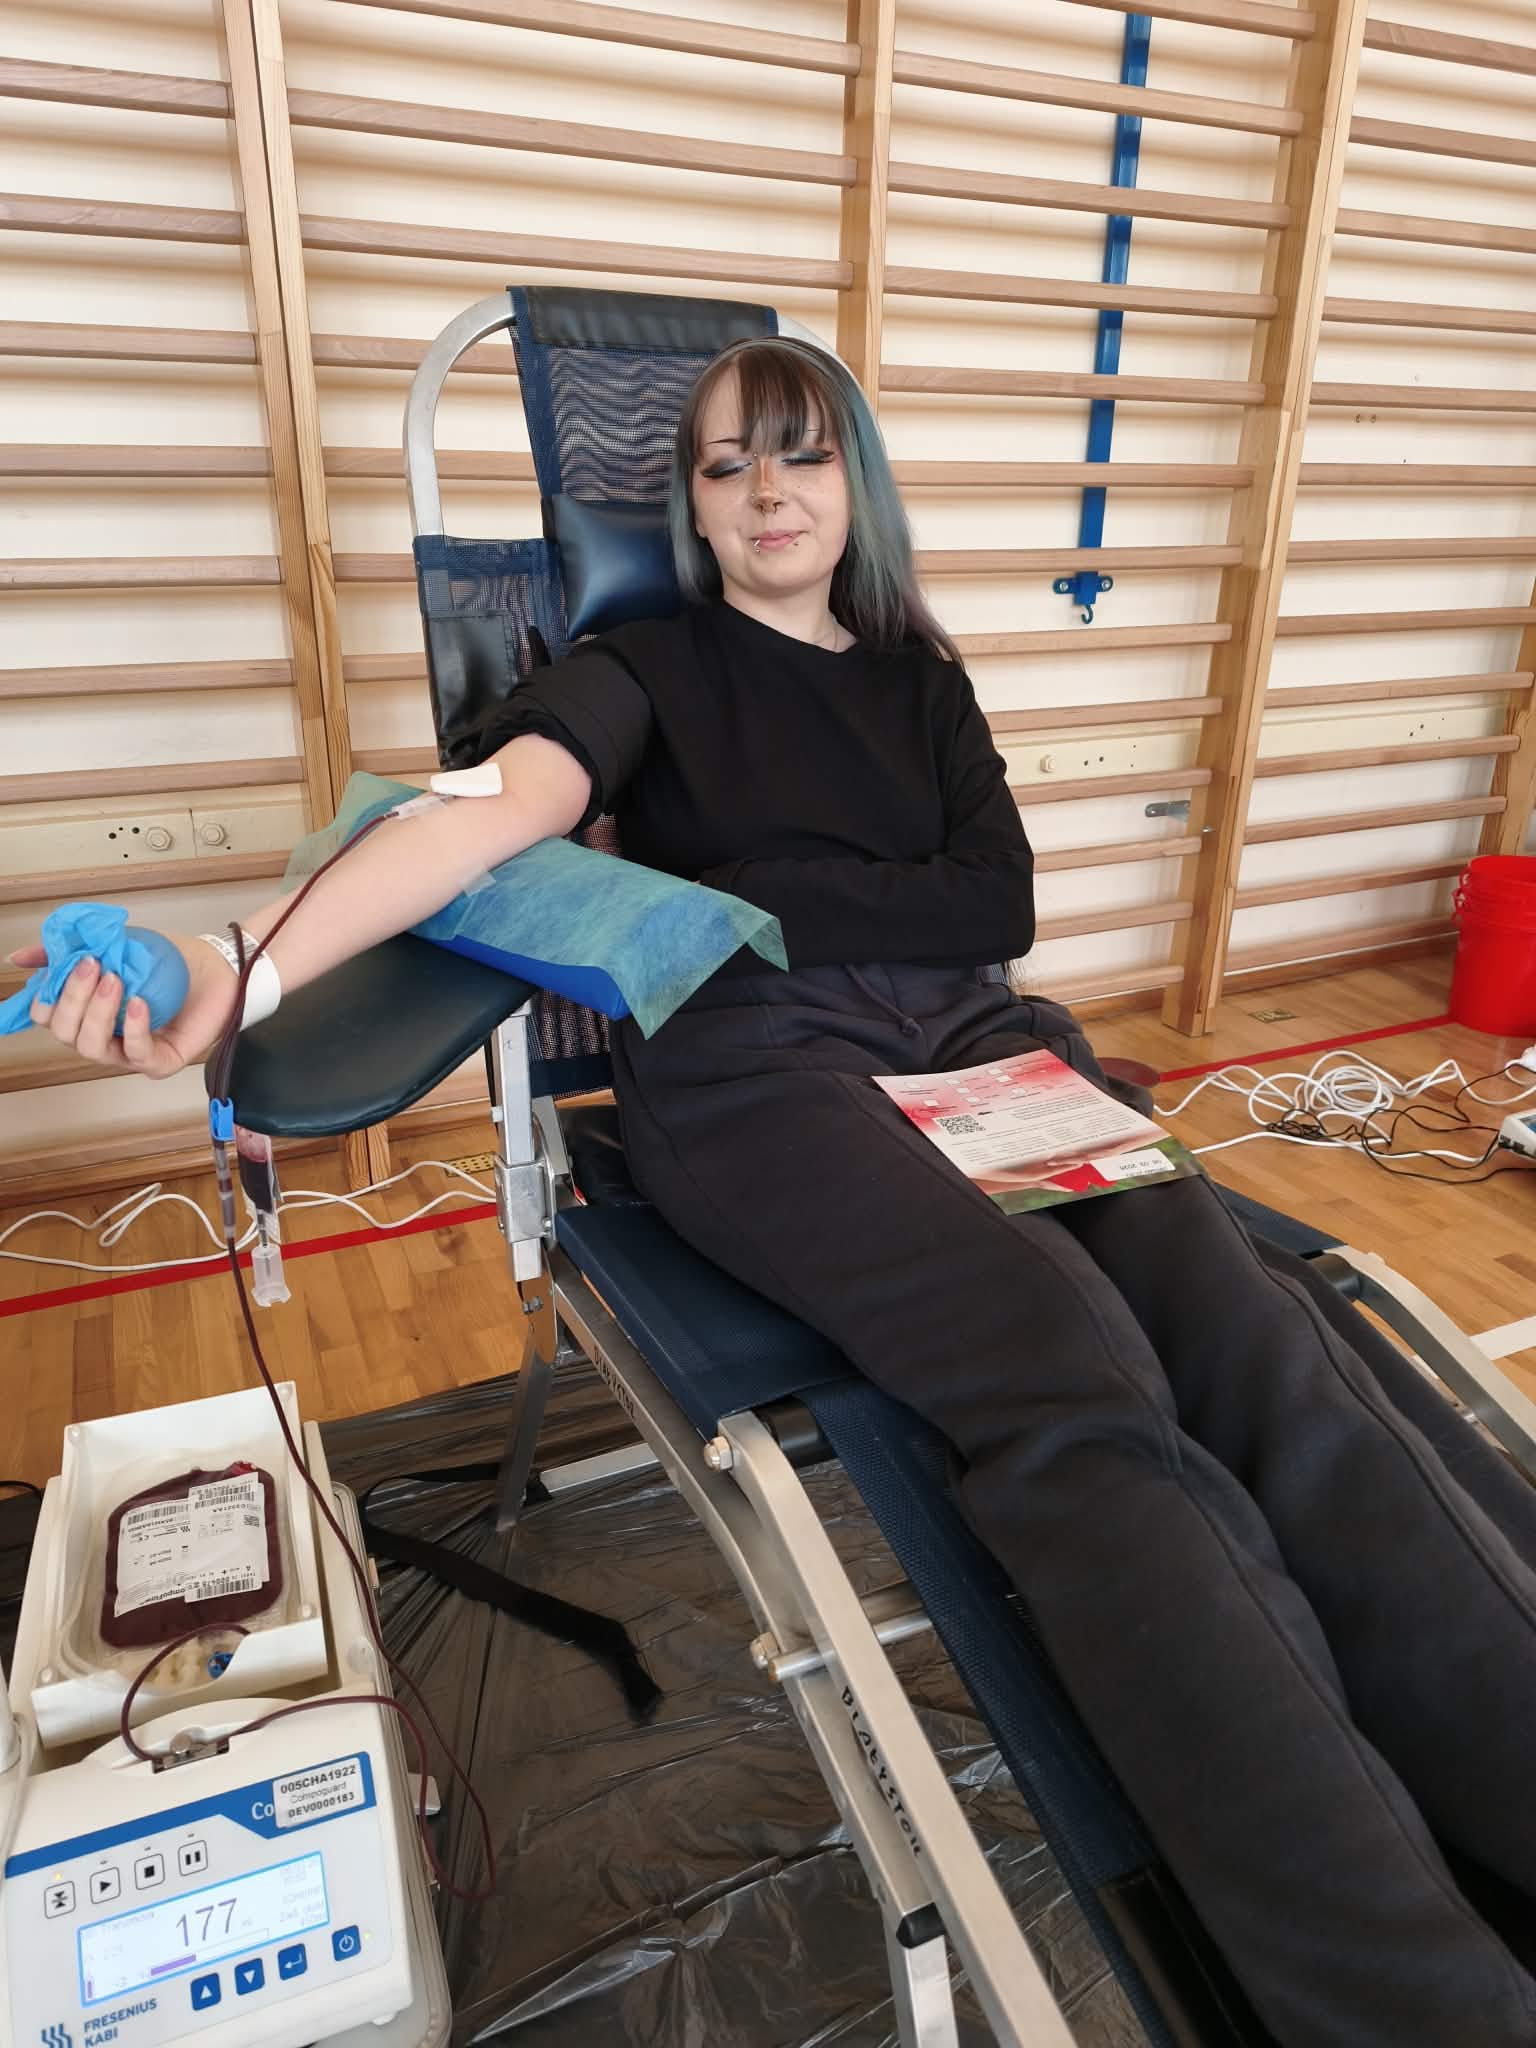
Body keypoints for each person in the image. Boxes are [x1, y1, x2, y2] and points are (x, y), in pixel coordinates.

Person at [17, 334, 1536, 2048]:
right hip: (756, 1066)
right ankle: (1411, 2004)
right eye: (725, 464)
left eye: (800, 454)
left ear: (854, 481)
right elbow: (478, 819)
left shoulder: (920, 682)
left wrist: (740, 893)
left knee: (1260, 1338)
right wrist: (238, 965)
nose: (764, 492)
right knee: (1073, 1377)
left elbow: (997, 907)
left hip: (979, 1042)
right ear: (690, 504)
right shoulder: (638, 668)